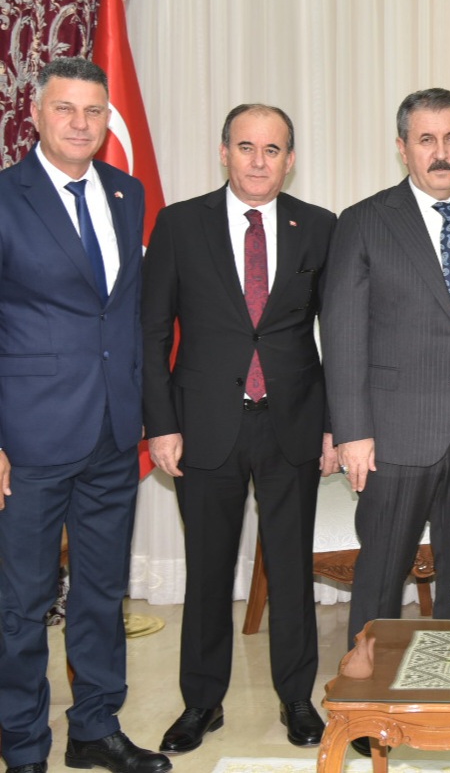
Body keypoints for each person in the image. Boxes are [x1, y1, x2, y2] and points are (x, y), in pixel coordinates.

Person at [141, 105, 337, 754]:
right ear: (224, 152)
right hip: (203, 425)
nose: (258, 160)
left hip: (292, 424)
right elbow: (152, 331)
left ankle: (297, 698)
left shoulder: (318, 227)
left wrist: (335, 426)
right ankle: (202, 703)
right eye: (246, 147)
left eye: (272, 149)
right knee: (207, 570)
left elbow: (338, 334)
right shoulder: (179, 224)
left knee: (291, 569)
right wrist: (161, 425)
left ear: (290, 160)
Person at [0, 57, 169, 773]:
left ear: (107, 121)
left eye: (93, 111)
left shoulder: (127, 194)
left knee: (102, 594)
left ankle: (96, 729)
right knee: (21, 602)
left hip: (111, 433)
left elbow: (122, 313)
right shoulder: (6, 197)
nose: (80, 122)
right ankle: (23, 745)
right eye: (65, 108)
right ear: (36, 114)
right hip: (28, 440)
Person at [324, 87, 450, 653]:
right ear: (403, 148)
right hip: (393, 435)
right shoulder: (365, 221)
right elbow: (343, 336)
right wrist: (352, 433)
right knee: (381, 574)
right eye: (426, 140)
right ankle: (369, 686)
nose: (441, 153)